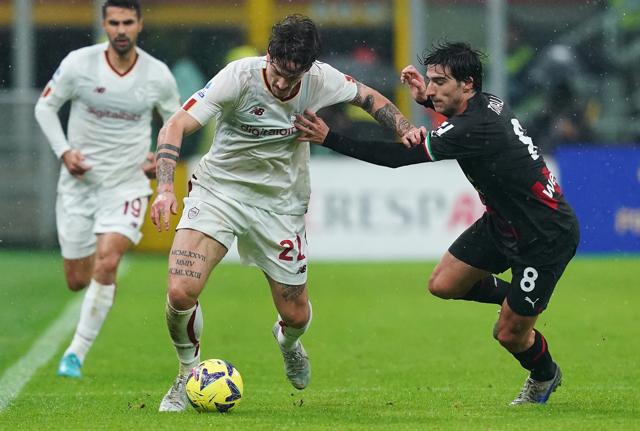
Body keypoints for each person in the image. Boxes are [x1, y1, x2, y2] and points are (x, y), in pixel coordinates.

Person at [150, 14, 420, 412]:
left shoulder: (321, 79)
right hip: (219, 191)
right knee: (180, 290)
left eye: (293, 79)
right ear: (269, 56)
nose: (282, 84)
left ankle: (288, 342)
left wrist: (404, 128)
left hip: (280, 205)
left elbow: (369, 98)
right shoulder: (238, 77)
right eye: (277, 73)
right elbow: (174, 125)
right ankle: (187, 375)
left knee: (295, 313)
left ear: (307, 69)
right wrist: (162, 188)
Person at [295, 42, 580, 405]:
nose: (429, 89)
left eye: (439, 82)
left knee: (509, 334)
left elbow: (399, 158)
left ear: (467, 84)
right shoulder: (484, 103)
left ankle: (544, 375)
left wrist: (329, 137)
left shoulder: (476, 126)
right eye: (429, 80)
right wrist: (428, 102)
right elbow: (456, 122)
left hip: (544, 236)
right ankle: (521, 299)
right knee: (443, 284)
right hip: (503, 223)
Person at [34, 0, 180, 378]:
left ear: (140, 25)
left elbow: (176, 122)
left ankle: (75, 354)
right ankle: (86, 322)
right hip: (80, 184)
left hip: (127, 184)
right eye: (113, 22)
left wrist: (160, 160)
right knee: (76, 280)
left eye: (127, 22)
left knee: (109, 260)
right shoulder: (78, 64)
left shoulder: (157, 75)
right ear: (103, 24)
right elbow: (45, 108)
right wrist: (64, 152)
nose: (120, 29)